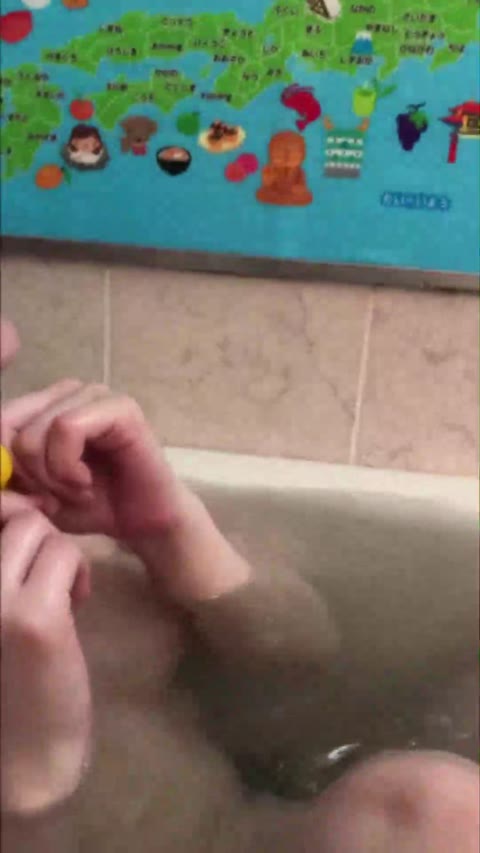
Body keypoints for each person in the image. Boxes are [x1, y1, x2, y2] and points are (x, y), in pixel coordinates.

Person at [1, 316, 478, 852]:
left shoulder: (51, 493)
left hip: (245, 825)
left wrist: (172, 536)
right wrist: (30, 784)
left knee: (434, 812)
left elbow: (298, 662)